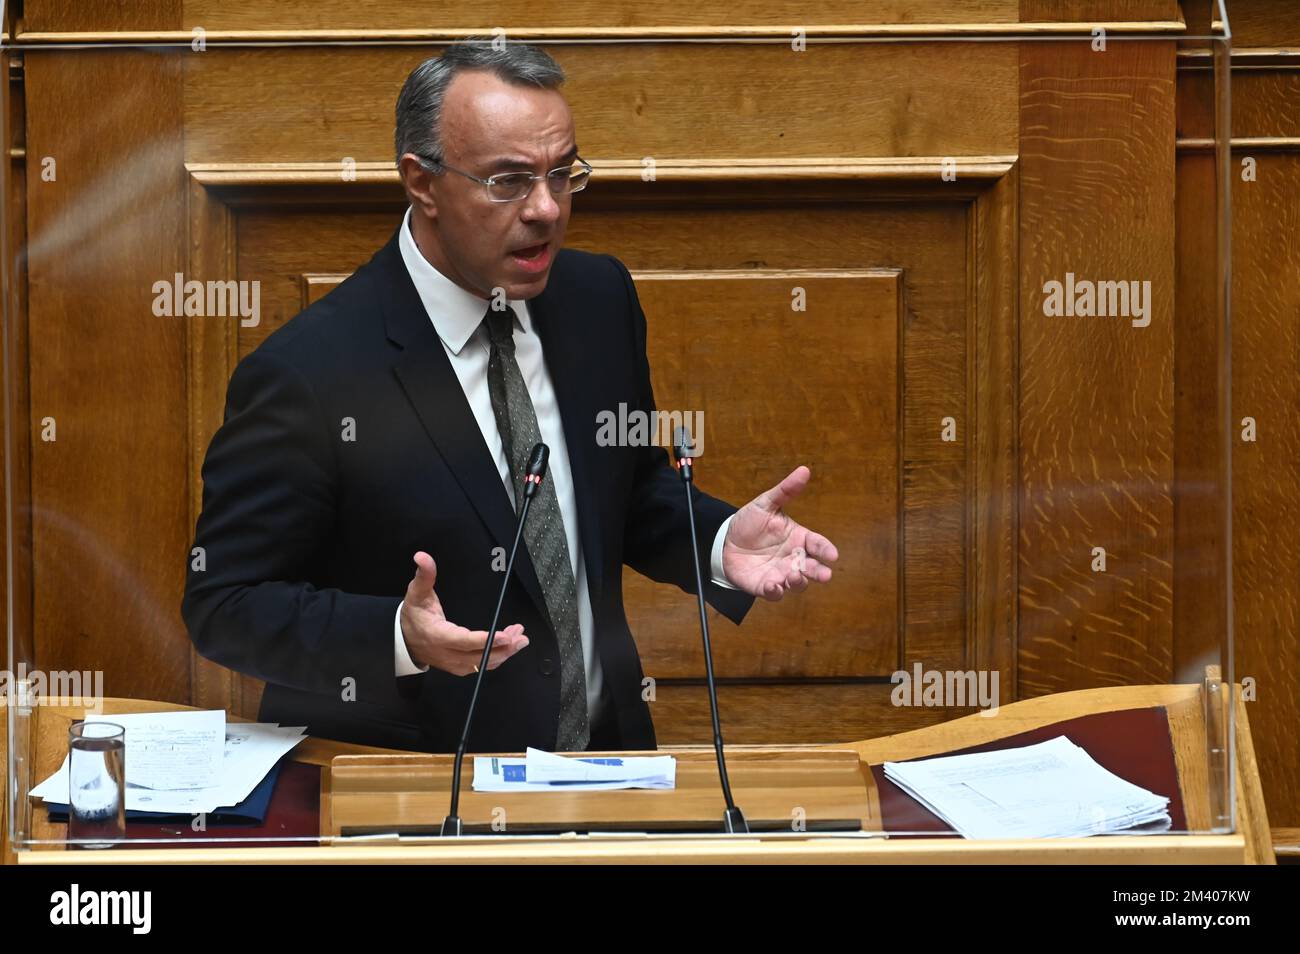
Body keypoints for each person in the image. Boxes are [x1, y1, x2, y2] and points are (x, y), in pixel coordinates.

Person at [181, 40, 838, 753]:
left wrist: (713, 541)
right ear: (422, 182)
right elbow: (225, 603)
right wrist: (396, 635)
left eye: (563, 175)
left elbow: (615, 489)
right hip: (413, 793)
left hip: (602, 772)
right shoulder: (309, 372)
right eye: (509, 182)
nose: (547, 210)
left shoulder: (597, 299)